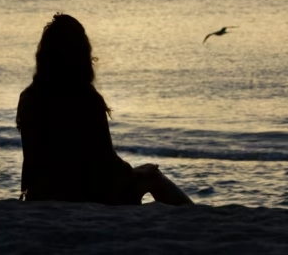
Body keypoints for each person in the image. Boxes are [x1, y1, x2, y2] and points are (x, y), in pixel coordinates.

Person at [15, 13, 194, 206]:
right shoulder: (85, 98)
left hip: (42, 194)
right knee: (153, 176)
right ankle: (194, 217)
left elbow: (32, 159)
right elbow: (104, 161)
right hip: (85, 194)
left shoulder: (29, 97)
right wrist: (133, 172)